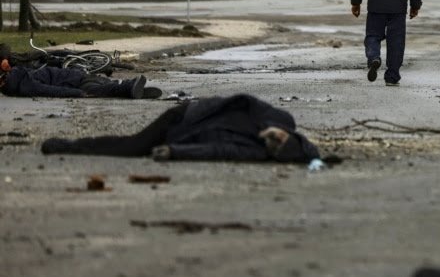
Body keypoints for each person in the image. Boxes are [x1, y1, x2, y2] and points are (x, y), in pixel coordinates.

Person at [39, 94, 321, 163]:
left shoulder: (258, 152)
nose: (272, 141)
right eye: (279, 139)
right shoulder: (280, 117)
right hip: (186, 115)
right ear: (287, 133)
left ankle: (70, 146)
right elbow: (244, 100)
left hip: (184, 133)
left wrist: (175, 151)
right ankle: (68, 146)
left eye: (275, 147)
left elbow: (217, 150)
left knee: (134, 147)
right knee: (133, 146)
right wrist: (268, 125)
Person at [0, 56, 160, 99]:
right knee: (104, 87)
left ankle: (128, 87)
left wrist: (76, 93)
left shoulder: (19, 83)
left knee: (99, 90)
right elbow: (48, 87)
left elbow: (47, 89)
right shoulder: (21, 75)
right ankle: (130, 89)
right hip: (78, 77)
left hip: (78, 82)